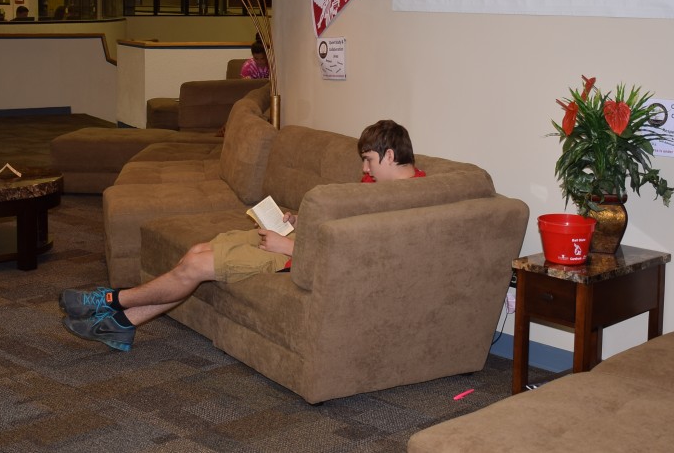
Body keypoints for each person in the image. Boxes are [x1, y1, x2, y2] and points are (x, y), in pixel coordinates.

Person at [59, 119, 426, 351]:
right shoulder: (376, 186)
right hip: (298, 240)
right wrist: (300, 219)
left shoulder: (402, 201)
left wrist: (290, 245)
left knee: (198, 265)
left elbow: (354, 252)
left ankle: (110, 300)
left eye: (368, 160)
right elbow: (341, 219)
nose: (364, 168)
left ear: (390, 155)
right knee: (198, 251)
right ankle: (123, 325)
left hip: (297, 257)